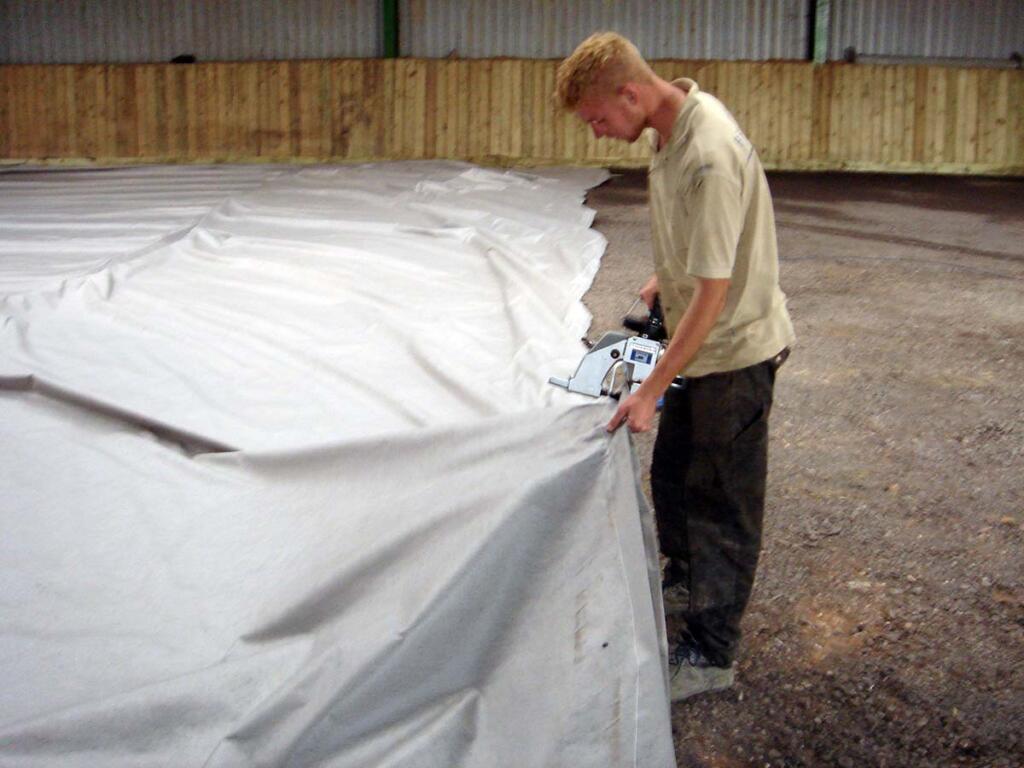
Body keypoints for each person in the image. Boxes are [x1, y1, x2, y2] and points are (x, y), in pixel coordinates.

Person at [555, 32, 795, 702]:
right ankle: (687, 582)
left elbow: (715, 296)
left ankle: (713, 652)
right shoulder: (670, 130)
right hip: (702, 344)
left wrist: (652, 389)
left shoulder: (706, 154)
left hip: (734, 352)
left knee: (722, 501)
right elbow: (710, 242)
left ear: (630, 94)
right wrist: (670, 275)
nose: (600, 134)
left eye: (599, 119)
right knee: (675, 474)